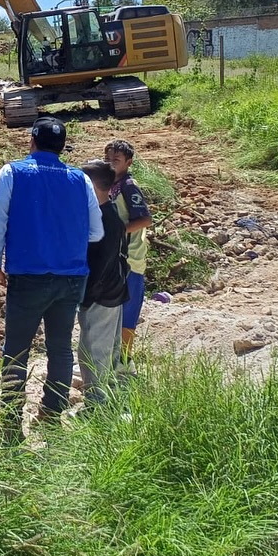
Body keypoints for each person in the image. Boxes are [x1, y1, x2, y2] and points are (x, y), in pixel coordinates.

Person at [0, 116, 104, 438]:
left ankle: (10, 425)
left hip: (29, 278)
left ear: (31, 141)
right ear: (62, 146)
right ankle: (51, 415)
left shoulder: (12, 173)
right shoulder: (80, 180)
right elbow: (96, 232)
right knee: (61, 348)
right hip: (72, 279)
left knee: (17, 351)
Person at [76, 160, 128, 406]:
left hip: (101, 294)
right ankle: (108, 396)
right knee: (106, 350)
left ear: (92, 187)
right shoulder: (109, 213)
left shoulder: (104, 219)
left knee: (93, 351)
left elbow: (101, 265)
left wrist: (86, 297)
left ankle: (96, 405)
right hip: (111, 291)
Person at [104, 139, 153, 377]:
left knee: (128, 312)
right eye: (108, 159)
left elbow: (144, 219)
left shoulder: (128, 186)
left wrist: (118, 231)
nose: (110, 164)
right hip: (114, 258)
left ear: (128, 162)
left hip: (130, 259)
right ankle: (111, 358)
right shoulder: (108, 185)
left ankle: (124, 361)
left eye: (116, 160)